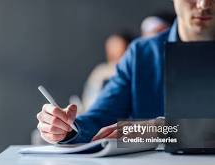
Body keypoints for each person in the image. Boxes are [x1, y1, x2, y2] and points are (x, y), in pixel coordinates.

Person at [37, 0, 215, 144]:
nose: (203, 4)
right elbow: (100, 117)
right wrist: (66, 128)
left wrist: (158, 130)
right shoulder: (141, 54)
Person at [82, 31, 135, 111]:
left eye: (117, 47)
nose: (113, 51)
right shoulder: (100, 72)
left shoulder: (134, 73)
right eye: (111, 47)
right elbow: (88, 99)